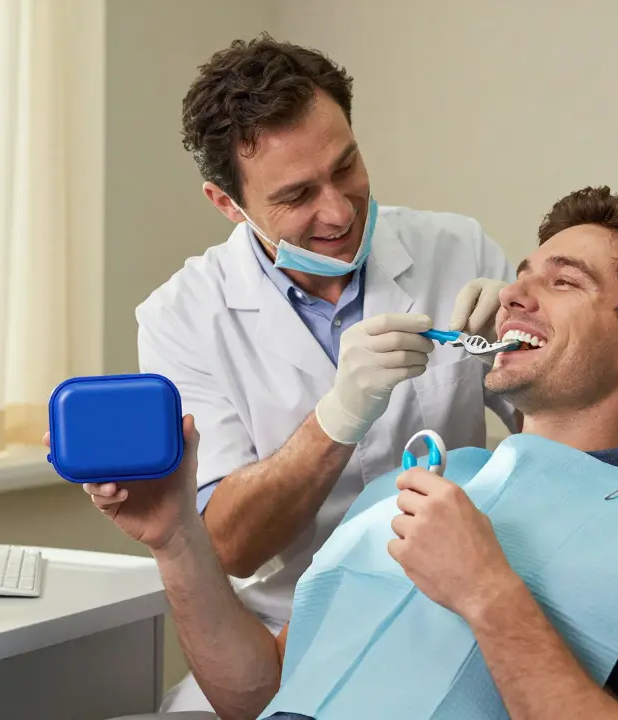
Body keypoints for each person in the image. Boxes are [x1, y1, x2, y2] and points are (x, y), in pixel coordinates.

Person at [80, 186, 618, 720]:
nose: (512, 295)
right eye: (520, 276)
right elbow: (259, 694)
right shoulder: (407, 490)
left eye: (563, 282)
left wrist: (486, 590)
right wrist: (176, 539)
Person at [133, 34, 521, 711]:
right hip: (287, 637)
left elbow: (571, 441)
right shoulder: (181, 318)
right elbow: (228, 543)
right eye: (297, 195)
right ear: (226, 203)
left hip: (451, 616)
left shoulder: (458, 248)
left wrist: (523, 355)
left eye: (346, 167)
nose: (339, 211)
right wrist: (338, 418)